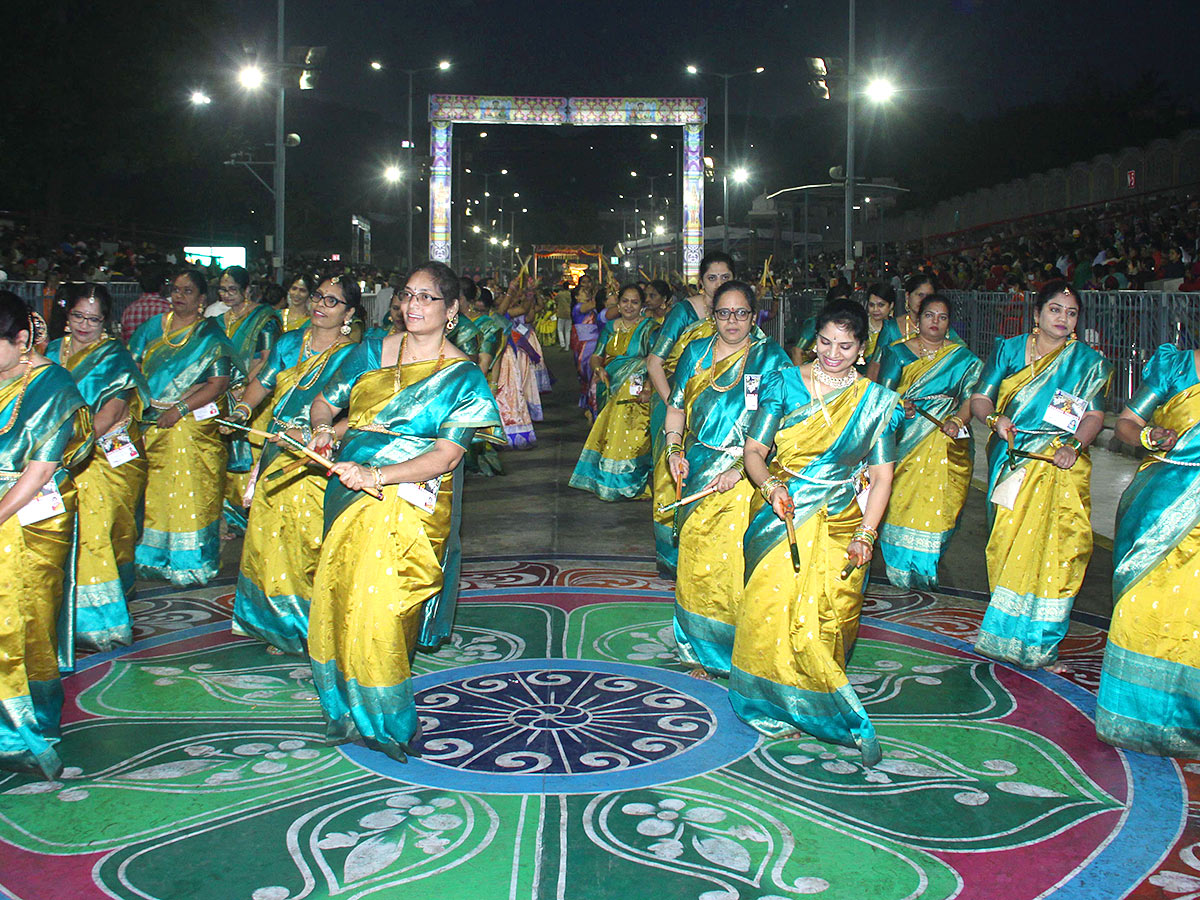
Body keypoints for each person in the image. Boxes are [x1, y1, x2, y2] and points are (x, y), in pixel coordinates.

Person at [306, 262, 504, 760]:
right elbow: (324, 403)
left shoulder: (463, 375)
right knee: (339, 596)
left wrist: (380, 476)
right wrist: (326, 431)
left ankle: (388, 719)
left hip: (410, 500)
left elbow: (448, 455)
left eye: (426, 298)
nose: (413, 306)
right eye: (407, 295)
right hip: (349, 492)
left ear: (452, 310)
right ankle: (347, 710)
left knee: (384, 608)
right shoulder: (370, 352)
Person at [733, 299, 900, 764]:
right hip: (779, 513)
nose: (833, 353)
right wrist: (770, 488)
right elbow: (753, 453)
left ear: (862, 349)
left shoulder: (877, 402)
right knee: (773, 608)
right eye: (826, 342)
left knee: (829, 616)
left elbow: (882, 475)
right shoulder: (783, 382)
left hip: (842, 521)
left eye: (845, 346)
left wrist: (867, 534)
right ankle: (772, 703)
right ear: (814, 341)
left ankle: (812, 701)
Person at [969, 281, 1111, 671]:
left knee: (1062, 550)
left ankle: (1042, 643)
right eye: (1054, 310)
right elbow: (982, 397)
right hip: (1014, 458)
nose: (1063, 318)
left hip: (1061, 464)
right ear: (1036, 314)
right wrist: (995, 420)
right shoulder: (1010, 350)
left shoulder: (1087, 362)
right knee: (1007, 544)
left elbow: (1094, 415)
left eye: (1071, 312)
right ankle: (1003, 634)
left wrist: (1075, 447)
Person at [228, 276, 361, 655]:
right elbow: (265, 383)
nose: (320, 304)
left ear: (349, 313)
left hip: (316, 458)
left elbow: (360, 412)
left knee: (308, 541)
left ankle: (309, 627)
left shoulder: (352, 356)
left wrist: (325, 435)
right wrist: (241, 409)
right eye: (318, 297)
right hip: (276, 450)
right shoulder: (289, 342)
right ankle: (275, 625)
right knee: (269, 540)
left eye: (332, 301)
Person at [665, 281, 790, 678]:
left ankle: (738, 650)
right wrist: (673, 450)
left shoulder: (771, 359)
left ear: (754, 316)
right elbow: (675, 411)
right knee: (696, 561)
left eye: (741, 313)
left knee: (735, 564)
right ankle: (698, 651)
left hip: (747, 475)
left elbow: (785, 423)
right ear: (711, 315)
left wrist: (741, 469)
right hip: (698, 469)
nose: (732, 321)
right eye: (723, 313)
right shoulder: (695, 354)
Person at [0, 293, 91, 778]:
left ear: (21, 341)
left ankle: (27, 727)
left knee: (30, 618)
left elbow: (41, 468)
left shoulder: (51, 384)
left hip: (33, 516)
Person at [1095, 344, 1200, 756]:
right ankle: (1134, 719)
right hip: (1161, 502)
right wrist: (1149, 435)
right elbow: (1126, 423)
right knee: (1142, 608)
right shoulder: (1175, 366)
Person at [46, 285, 150, 653]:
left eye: (93, 319)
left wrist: (75, 448)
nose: (84, 326)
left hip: (102, 454)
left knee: (101, 531)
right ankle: (67, 616)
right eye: (77, 317)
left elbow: (113, 409)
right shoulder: (48, 351)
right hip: (52, 453)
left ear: (106, 321)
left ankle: (99, 622)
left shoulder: (113, 355)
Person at [129, 270, 235, 586]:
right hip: (151, 420)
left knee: (191, 492)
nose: (179, 296)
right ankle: (152, 558)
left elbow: (219, 383)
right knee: (155, 492)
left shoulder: (210, 336)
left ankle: (191, 561)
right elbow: (131, 367)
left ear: (202, 299)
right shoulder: (151, 328)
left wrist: (178, 409)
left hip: (190, 425)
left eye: (187, 291)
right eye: (175, 290)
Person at [876, 294, 982, 589]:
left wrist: (958, 421)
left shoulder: (962, 358)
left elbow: (972, 398)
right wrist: (899, 405)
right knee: (899, 502)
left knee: (940, 507)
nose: (935, 322)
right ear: (916, 319)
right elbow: (882, 396)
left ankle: (927, 568)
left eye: (942, 317)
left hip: (947, 440)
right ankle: (898, 570)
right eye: (929, 316)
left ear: (949, 324)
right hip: (904, 439)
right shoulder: (896, 353)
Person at [646, 251, 733, 576]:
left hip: (721, 415)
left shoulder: (736, 316)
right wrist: (675, 405)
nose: (719, 284)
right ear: (700, 282)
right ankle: (673, 556)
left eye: (726, 277)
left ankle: (708, 556)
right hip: (675, 406)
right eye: (713, 278)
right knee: (674, 480)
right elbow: (655, 363)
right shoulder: (684, 313)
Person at [569, 283, 658, 499]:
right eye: (625, 301)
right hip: (611, 383)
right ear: (618, 304)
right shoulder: (610, 327)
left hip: (639, 384)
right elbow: (597, 355)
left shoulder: (650, 328)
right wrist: (598, 367)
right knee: (612, 432)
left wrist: (648, 386)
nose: (629, 306)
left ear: (642, 305)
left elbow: (656, 360)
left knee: (632, 434)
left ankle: (628, 482)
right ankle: (610, 480)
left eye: (634, 302)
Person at [214, 265, 282, 533]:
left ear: (246, 290)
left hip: (254, 396)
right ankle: (227, 517)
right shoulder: (219, 321)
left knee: (251, 453)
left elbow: (266, 359)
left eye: (232, 289)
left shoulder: (264, 319)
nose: (227, 295)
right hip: (221, 395)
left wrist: (242, 386)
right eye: (222, 289)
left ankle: (249, 518)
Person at [866, 274, 961, 379]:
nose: (923, 300)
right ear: (907, 296)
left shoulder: (941, 330)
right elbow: (875, 365)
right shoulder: (891, 328)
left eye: (928, 296)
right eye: (920, 295)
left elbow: (963, 359)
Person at [120, 270, 170, 342]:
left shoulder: (129, 310)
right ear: (162, 287)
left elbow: (124, 338)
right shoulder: (168, 309)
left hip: (133, 352)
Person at [863, 282, 896, 363]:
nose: (875, 309)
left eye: (881, 305)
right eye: (871, 305)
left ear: (891, 305)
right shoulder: (860, 325)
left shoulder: (896, 329)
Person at [554, 280, 573, 349]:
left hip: (561, 313)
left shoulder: (560, 294)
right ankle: (567, 346)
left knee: (560, 330)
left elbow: (555, 299)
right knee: (567, 330)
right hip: (569, 313)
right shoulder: (570, 294)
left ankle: (562, 344)